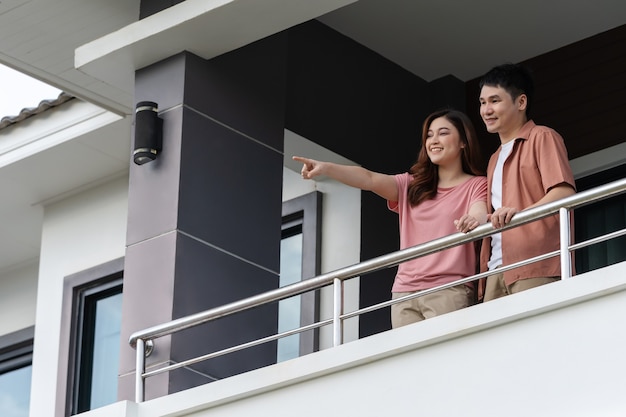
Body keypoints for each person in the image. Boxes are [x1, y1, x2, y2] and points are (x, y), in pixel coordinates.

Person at [293, 108, 487, 328]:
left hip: (449, 288)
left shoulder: (476, 184)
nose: (433, 140)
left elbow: (479, 211)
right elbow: (368, 178)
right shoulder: (411, 185)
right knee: (407, 361)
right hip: (404, 291)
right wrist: (326, 168)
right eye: (429, 135)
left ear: (463, 141)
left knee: (443, 359)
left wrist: (474, 220)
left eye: (443, 133)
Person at [477, 63, 576, 302]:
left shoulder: (542, 137)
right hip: (496, 269)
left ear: (521, 102)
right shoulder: (493, 159)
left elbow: (563, 192)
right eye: (482, 103)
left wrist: (519, 214)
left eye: (494, 101)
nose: (486, 110)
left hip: (536, 263)